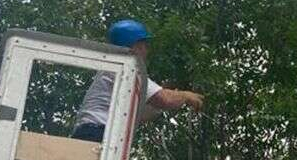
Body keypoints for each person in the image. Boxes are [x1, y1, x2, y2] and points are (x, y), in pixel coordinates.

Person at [71, 19, 204, 142]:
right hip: (97, 132)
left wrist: (166, 97)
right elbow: (165, 99)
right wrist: (186, 95)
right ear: (136, 46)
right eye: (144, 46)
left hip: (90, 132)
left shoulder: (112, 69)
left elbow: (140, 115)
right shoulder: (126, 69)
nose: (146, 51)